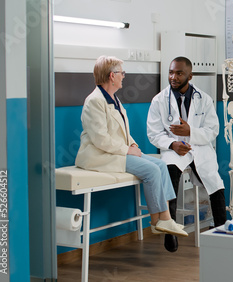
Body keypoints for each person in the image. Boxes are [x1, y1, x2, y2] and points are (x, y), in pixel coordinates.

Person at [75, 55, 187, 243]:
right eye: (121, 73)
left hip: (116, 151)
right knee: (151, 170)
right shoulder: (94, 101)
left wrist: (132, 143)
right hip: (100, 156)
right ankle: (161, 220)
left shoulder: (112, 98)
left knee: (160, 165)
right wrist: (127, 150)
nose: (124, 76)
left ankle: (161, 220)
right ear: (112, 76)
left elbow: (121, 130)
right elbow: (100, 139)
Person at [147, 57, 226, 252]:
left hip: (199, 148)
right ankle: (170, 230)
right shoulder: (159, 100)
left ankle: (222, 231)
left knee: (215, 184)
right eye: (171, 72)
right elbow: (153, 134)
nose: (173, 77)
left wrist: (190, 131)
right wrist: (173, 143)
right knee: (169, 173)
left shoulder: (204, 99)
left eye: (179, 73)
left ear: (189, 76)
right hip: (174, 150)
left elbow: (213, 130)